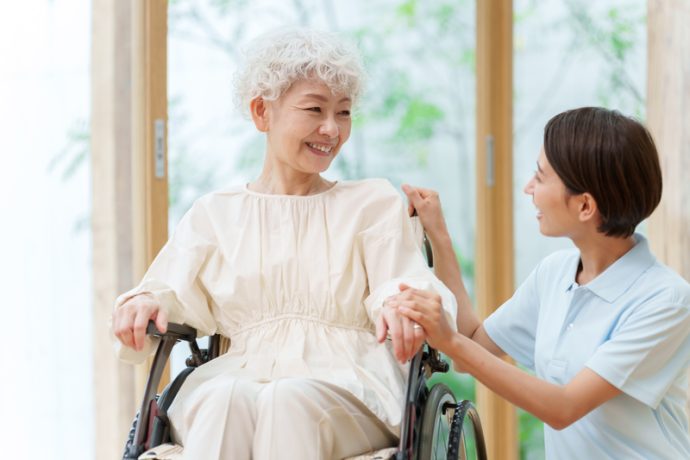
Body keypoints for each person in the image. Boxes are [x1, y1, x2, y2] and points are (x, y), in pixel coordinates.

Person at [110, 28, 456, 460]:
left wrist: (397, 305)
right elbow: (170, 289)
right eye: (314, 109)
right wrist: (145, 301)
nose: (331, 129)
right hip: (239, 373)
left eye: (343, 113)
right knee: (222, 400)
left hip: (350, 384)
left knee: (286, 400)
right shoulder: (215, 213)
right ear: (261, 112)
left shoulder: (371, 202)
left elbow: (398, 277)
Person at [395, 107, 690, 459]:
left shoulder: (665, 300)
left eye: (540, 176)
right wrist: (439, 236)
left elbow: (564, 408)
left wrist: (452, 342)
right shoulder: (555, 273)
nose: (528, 188)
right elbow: (475, 343)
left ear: (584, 206)